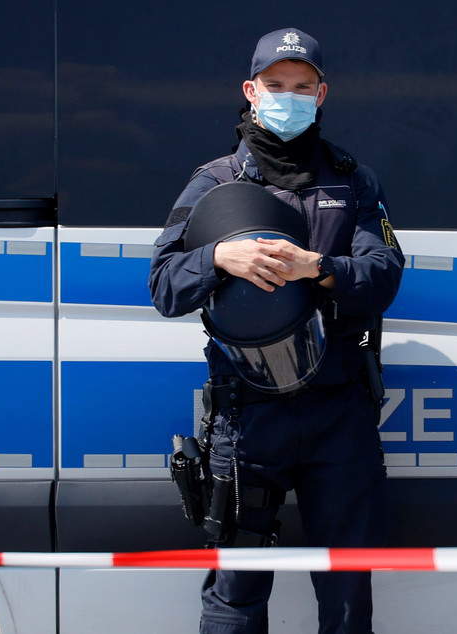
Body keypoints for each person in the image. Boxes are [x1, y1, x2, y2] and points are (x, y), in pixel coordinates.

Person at [149, 28, 404, 634]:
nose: (287, 97)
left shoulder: (355, 181)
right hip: (247, 413)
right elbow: (162, 285)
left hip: (338, 410)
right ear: (251, 91)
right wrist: (217, 260)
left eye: (301, 86)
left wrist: (319, 268)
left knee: (347, 594)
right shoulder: (213, 182)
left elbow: (384, 274)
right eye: (275, 86)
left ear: (321, 95)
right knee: (235, 593)